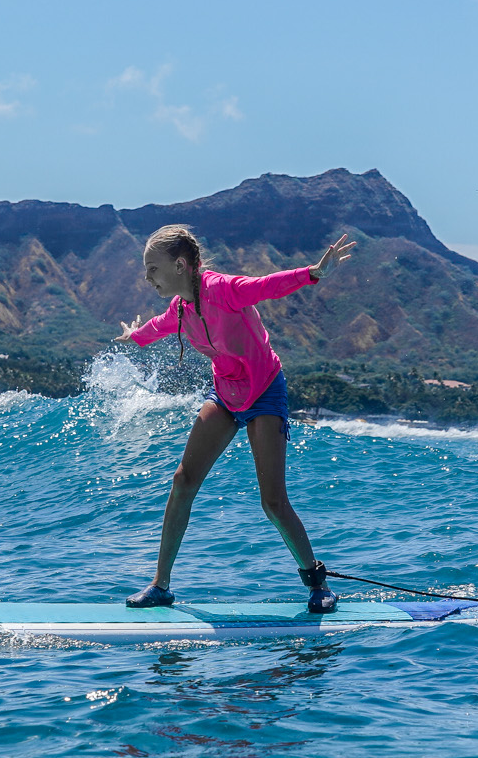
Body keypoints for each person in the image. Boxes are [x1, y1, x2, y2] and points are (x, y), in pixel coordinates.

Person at [119, 223, 356, 612]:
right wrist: (135, 336)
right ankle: (160, 585)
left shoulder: (223, 289)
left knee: (272, 501)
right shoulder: (180, 308)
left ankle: (318, 585)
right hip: (226, 394)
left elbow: (265, 286)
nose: (147, 278)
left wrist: (312, 274)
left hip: (264, 390)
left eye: (152, 269)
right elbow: (157, 327)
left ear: (180, 265)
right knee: (183, 480)